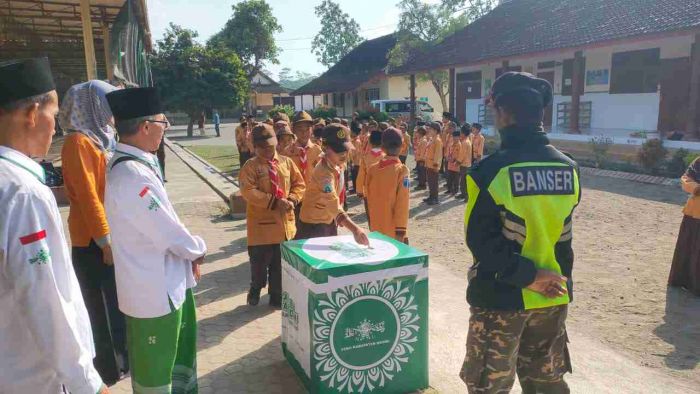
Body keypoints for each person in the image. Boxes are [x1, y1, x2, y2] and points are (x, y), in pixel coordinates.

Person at [460, 72, 580, 393]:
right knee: (547, 384)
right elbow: (562, 238)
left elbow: (481, 243)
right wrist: (546, 279)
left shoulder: (489, 172)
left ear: (502, 113)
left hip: (502, 299)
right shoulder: (569, 168)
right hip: (552, 296)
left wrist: (527, 276)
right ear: (541, 113)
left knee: (490, 387)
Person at [0, 57, 108, 393]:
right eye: (54, 114)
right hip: (33, 374)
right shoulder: (22, 192)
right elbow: (44, 297)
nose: (57, 127)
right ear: (33, 114)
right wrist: (87, 383)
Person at [105, 87, 206, 393]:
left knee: (174, 361)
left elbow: (166, 219)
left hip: (166, 281)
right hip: (153, 290)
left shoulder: (139, 162)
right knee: (157, 373)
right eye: (164, 123)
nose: (166, 129)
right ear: (146, 126)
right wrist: (196, 249)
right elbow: (165, 228)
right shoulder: (132, 174)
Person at [59, 80, 129, 385]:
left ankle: (123, 360)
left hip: (109, 236)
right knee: (99, 306)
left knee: (115, 302)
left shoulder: (102, 138)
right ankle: (107, 369)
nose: (112, 113)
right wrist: (105, 240)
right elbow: (88, 196)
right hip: (93, 242)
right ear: (92, 106)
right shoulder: (78, 143)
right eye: (107, 105)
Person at [239, 124, 306, 306]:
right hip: (261, 229)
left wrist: (292, 199)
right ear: (255, 147)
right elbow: (248, 191)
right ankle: (255, 287)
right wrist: (274, 202)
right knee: (259, 267)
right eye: (263, 148)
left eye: (270, 146)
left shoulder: (286, 162)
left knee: (279, 267)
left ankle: (276, 296)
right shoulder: (250, 167)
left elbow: (299, 184)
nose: (268, 151)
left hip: (284, 227)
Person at [296, 124, 368, 245]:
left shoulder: (337, 163)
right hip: (314, 226)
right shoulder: (323, 173)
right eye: (338, 150)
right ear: (325, 148)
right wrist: (355, 229)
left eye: (346, 149)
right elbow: (332, 202)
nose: (343, 154)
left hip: (328, 219)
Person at [365, 128, 410, 243]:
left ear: (382, 148)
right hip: (394, 231)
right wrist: (401, 231)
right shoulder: (402, 171)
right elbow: (402, 203)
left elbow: (367, 197)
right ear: (402, 146)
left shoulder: (372, 169)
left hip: (376, 228)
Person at [668, 156, 700, 295]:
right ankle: (686, 281)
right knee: (688, 248)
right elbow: (686, 179)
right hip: (695, 213)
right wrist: (697, 188)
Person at [424, 121, 443, 205]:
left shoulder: (438, 140)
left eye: (431, 129)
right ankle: (431, 196)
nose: (429, 131)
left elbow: (438, 154)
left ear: (435, 130)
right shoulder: (433, 139)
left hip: (433, 165)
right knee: (430, 182)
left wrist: (436, 165)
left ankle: (435, 198)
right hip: (429, 163)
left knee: (434, 182)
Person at [457, 124, 473, 200]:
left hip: (464, 164)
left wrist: (458, 162)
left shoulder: (464, 142)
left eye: (460, 133)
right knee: (463, 181)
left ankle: (466, 196)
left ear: (463, 133)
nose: (460, 134)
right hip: (466, 163)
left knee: (464, 181)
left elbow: (462, 154)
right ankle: (463, 194)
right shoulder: (467, 141)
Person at [446, 129, 463, 196]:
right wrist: (447, 157)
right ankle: (449, 189)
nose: (454, 138)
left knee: (456, 179)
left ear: (459, 137)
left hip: (456, 165)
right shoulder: (451, 144)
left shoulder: (460, 145)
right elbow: (448, 152)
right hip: (450, 164)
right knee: (449, 177)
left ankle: (455, 190)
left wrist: (455, 160)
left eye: (456, 136)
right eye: (453, 136)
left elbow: (460, 155)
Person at [414, 126, 428, 191]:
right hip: (419, 159)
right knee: (420, 172)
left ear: (421, 133)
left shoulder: (424, 141)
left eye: (417, 132)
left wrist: (421, 159)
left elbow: (423, 152)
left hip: (421, 160)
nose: (416, 134)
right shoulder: (421, 140)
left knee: (422, 173)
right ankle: (420, 184)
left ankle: (422, 185)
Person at [349, 124, 362, 193]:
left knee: (355, 176)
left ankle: (356, 189)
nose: (350, 133)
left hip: (356, 162)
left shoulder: (356, 141)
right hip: (354, 161)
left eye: (352, 132)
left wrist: (350, 158)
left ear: (355, 133)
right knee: (354, 176)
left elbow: (354, 153)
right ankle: (355, 188)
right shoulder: (353, 140)